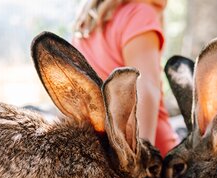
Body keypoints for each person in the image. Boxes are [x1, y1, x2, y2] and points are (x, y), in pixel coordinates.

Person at [72, 0, 178, 157]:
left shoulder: (86, 25)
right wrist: (142, 163)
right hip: (157, 162)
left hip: (104, 159)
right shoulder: (139, 14)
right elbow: (146, 89)